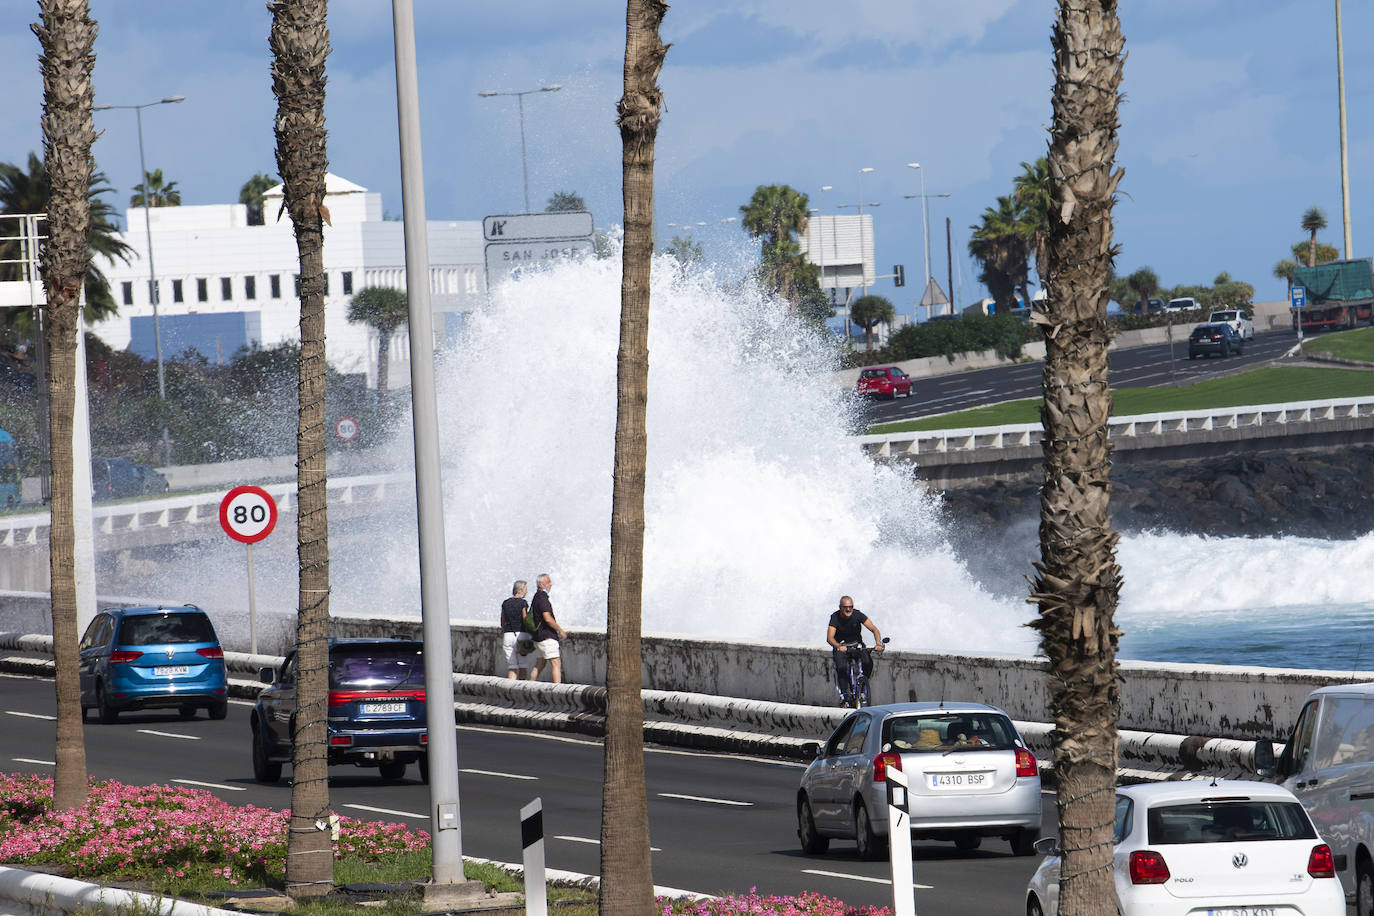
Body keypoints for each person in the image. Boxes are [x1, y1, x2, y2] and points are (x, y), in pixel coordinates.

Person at [826, 595, 883, 706]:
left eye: (850, 607)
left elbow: (874, 629)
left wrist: (878, 643)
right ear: (840, 607)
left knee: (868, 662)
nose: (848, 609)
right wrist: (838, 646)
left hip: (856, 645)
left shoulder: (857, 615)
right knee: (842, 668)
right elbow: (830, 638)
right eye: (845, 607)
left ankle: (862, 686)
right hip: (842, 647)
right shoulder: (835, 617)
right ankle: (844, 696)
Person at [530, 573, 569, 684]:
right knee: (556, 662)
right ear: (542, 584)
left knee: (540, 664)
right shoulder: (542, 598)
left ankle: (529, 686)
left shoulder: (536, 596)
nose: (551, 584)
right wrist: (560, 630)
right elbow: (547, 618)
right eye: (548, 582)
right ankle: (557, 688)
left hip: (538, 636)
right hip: (546, 636)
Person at [500, 579, 534, 680]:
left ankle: (511, 690)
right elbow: (524, 618)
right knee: (523, 665)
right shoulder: (523, 603)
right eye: (525, 589)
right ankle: (521, 691)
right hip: (521, 635)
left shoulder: (505, 603)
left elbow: (502, 620)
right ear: (520, 590)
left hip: (508, 635)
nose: (527, 592)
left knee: (512, 667)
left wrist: (504, 630)